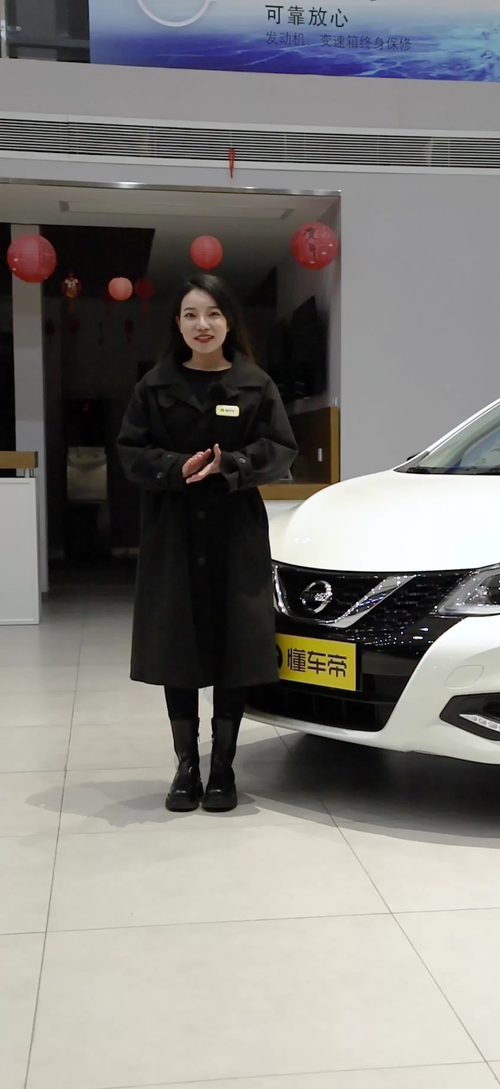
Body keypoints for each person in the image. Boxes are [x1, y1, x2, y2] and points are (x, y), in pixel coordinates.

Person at [117, 274, 297, 813]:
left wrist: (233, 464)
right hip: (173, 532)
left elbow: (281, 447)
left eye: (214, 314)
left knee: (233, 645)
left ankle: (223, 767)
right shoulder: (154, 385)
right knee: (178, 644)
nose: (203, 324)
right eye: (192, 314)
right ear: (177, 323)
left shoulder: (255, 384)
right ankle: (186, 765)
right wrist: (176, 467)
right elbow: (130, 451)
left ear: (229, 322)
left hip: (234, 532)